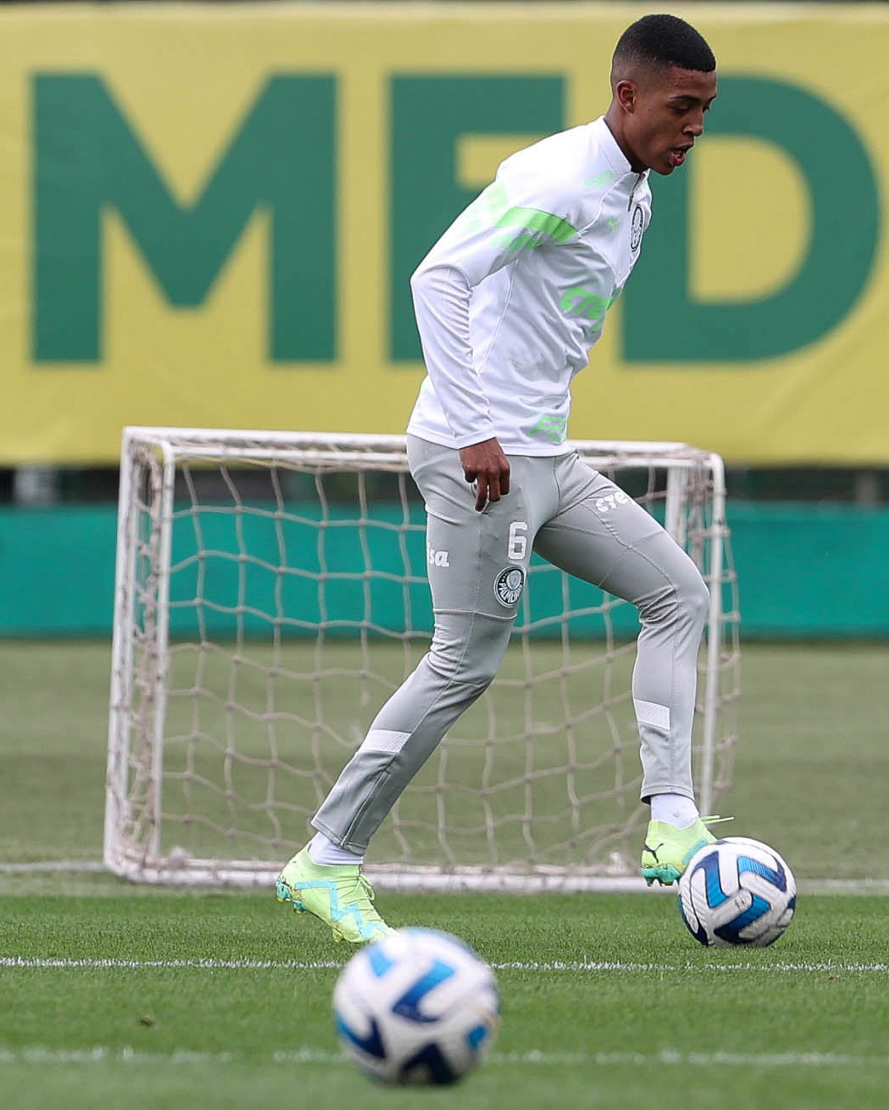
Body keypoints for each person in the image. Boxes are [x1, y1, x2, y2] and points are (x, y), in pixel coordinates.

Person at [276, 13, 721, 942]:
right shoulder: (557, 178)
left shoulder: (635, 191)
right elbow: (435, 278)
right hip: (478, 455)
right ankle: (328, 856)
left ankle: (673, 820)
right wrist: (476, 428)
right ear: (627, 95)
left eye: (705, 111)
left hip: (543, 457)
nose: (694, 128)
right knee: (465, 660)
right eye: (681, 107)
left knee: (678, 594)